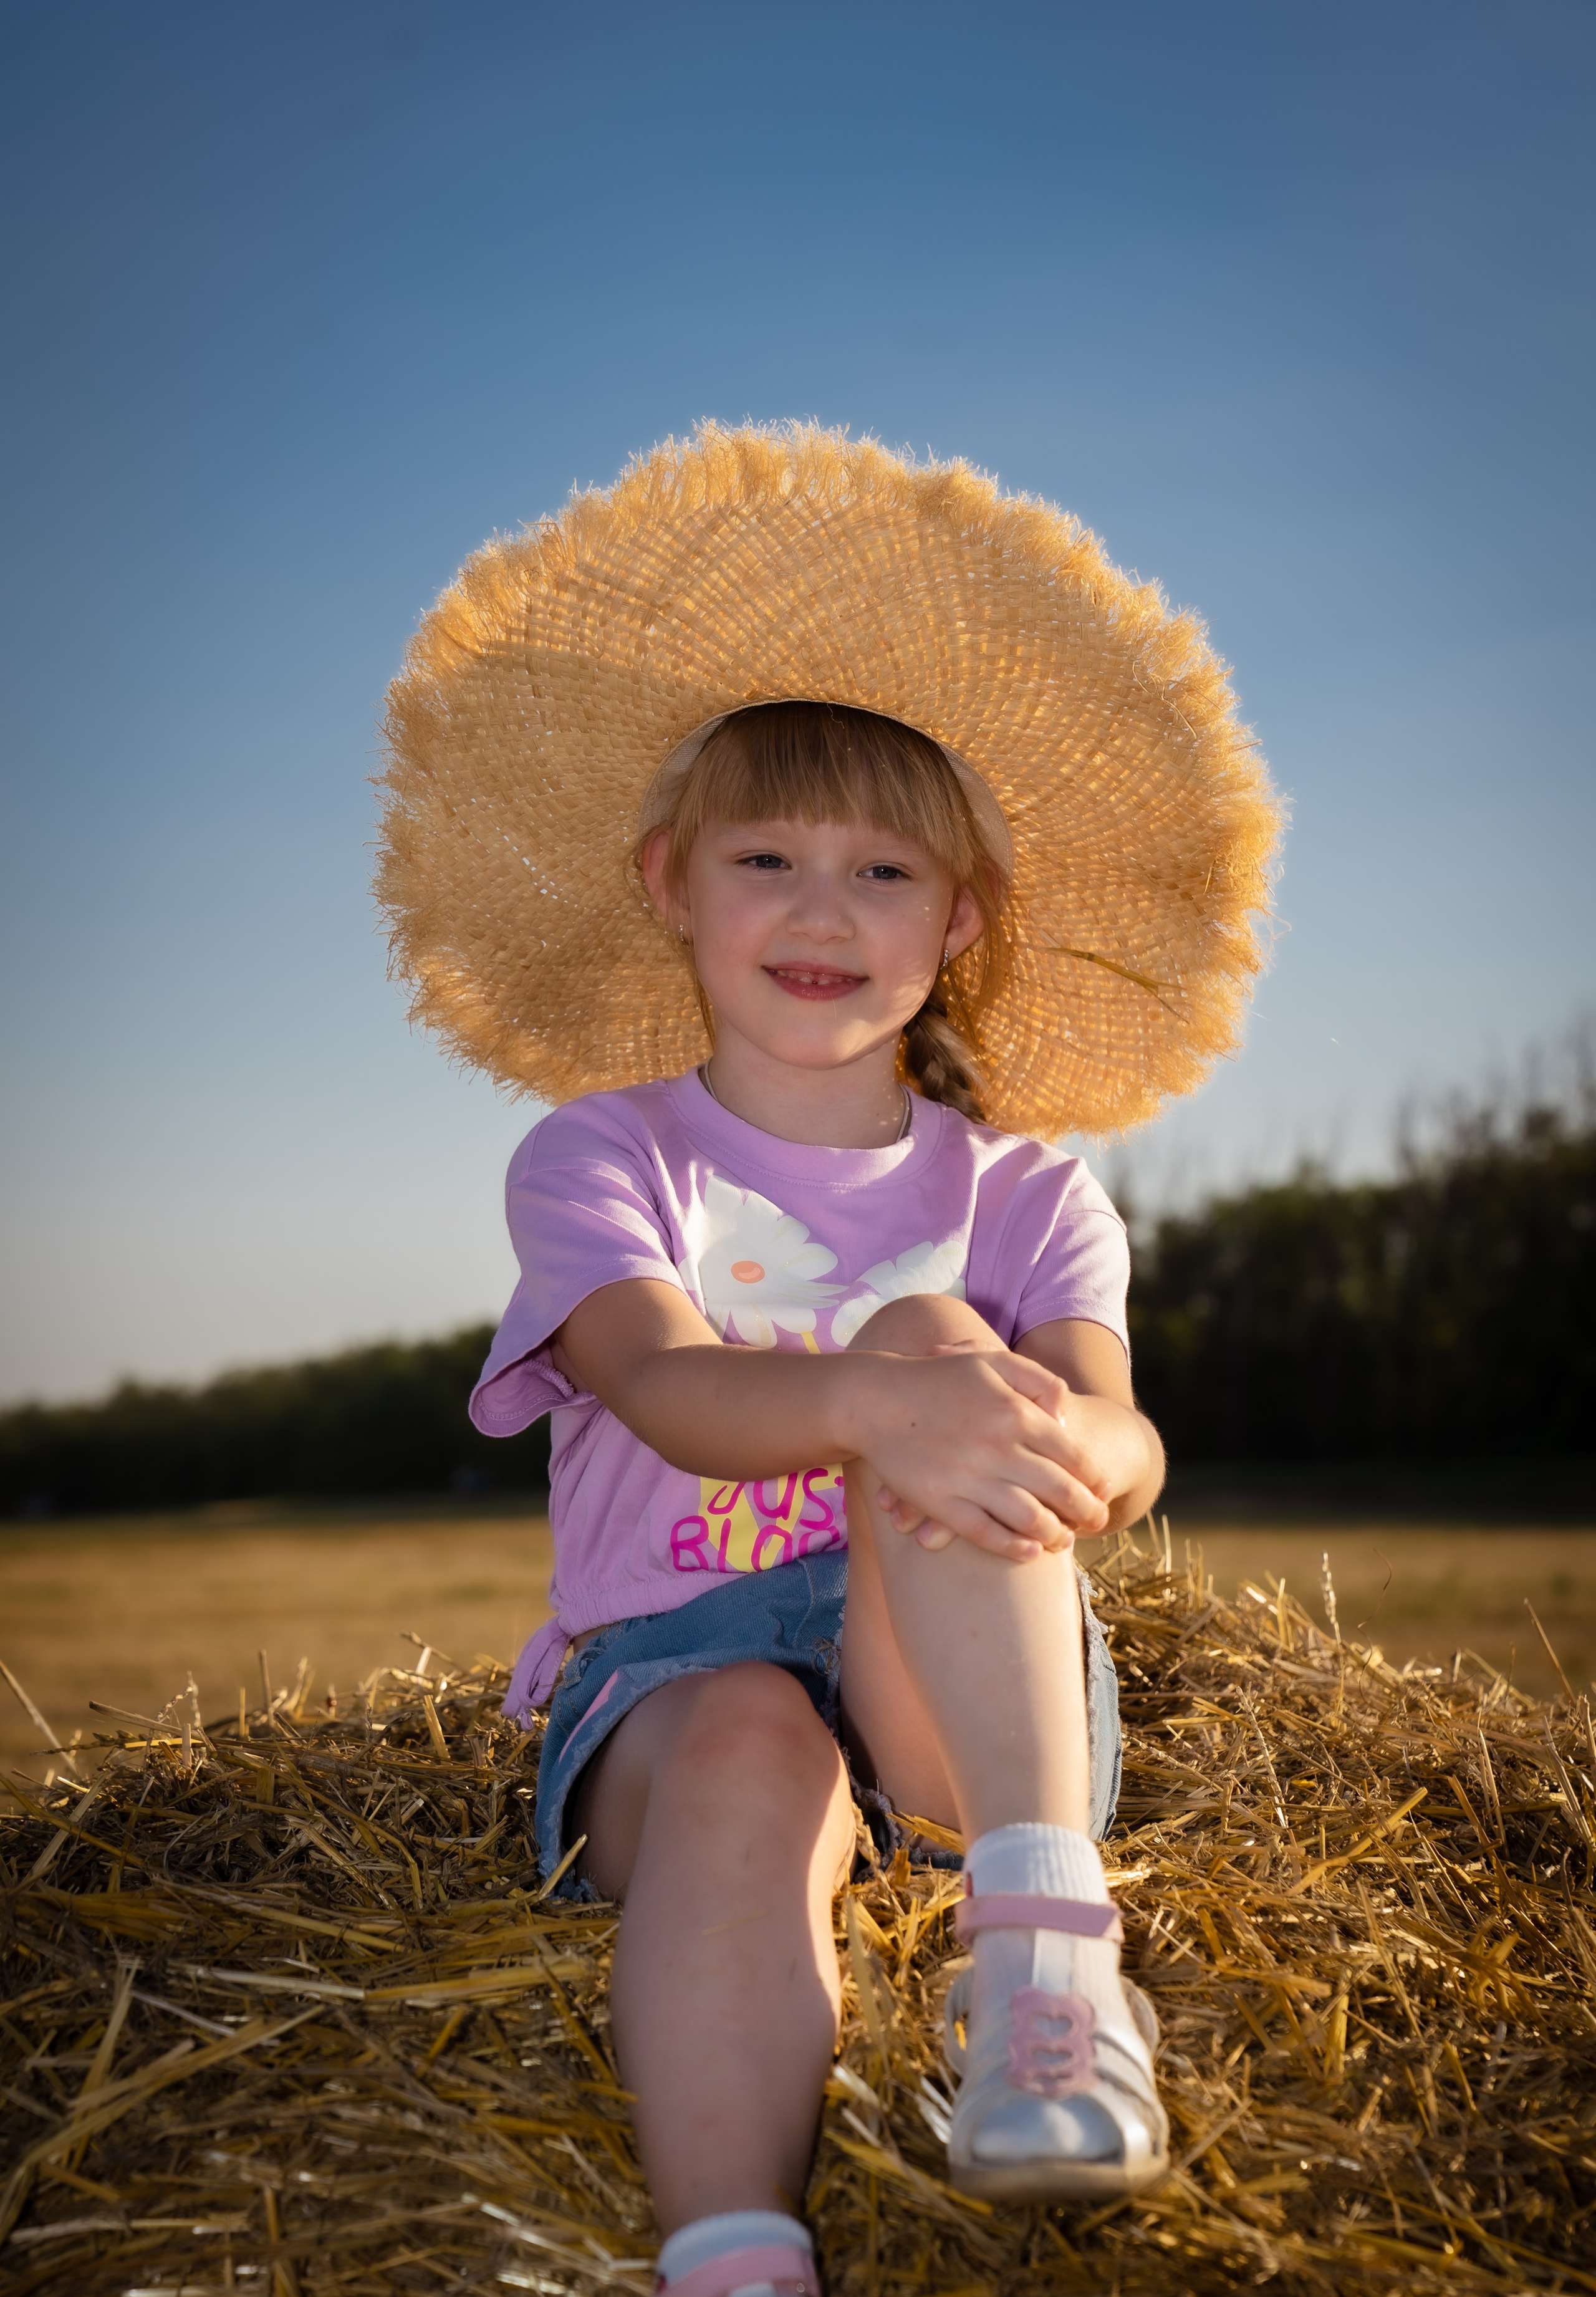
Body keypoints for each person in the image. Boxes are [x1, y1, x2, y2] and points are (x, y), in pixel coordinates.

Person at [377, 424, 1279, 2297]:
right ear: (668, 883)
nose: (820, 907)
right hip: (679, 1671)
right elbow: (669, 1389)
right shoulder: (604, 1158)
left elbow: (1118, 1430)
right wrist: (882, 1393)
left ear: (956, 926)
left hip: (968, 1702)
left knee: (940, 1333)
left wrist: (1078, 1450)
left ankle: (1043, 1970)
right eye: (766, 855)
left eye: (883, 869)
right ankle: (731, 2254)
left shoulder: (1028, 1193)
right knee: (744, 1748)